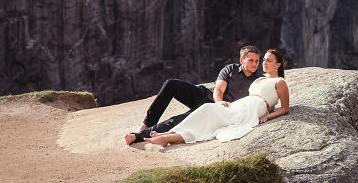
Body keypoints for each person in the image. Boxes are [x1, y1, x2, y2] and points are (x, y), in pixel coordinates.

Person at [145, 48, 289, 146]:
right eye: (263, 60)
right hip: (239, 105)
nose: (263, 63)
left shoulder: (280, 82)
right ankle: (168, 133)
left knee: (210, 118)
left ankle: (167, 138)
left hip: (250, 111)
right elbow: (220, 88)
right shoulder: (260, 79)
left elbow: (284, 108)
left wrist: (267, 117)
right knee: (207, 109)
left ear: (278, 64)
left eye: (268, 60)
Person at [124, 46, 263, 145]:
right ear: (241, 60)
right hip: (206, 96)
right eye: (251, 60)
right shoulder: (231, 69)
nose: (255, 64)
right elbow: (219, 89)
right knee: (171, 84)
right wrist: (219, 101)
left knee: (178, 120)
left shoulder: (259, 79)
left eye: (257, 61)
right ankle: (146, 124)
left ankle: (138, 136)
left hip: (216, 112)